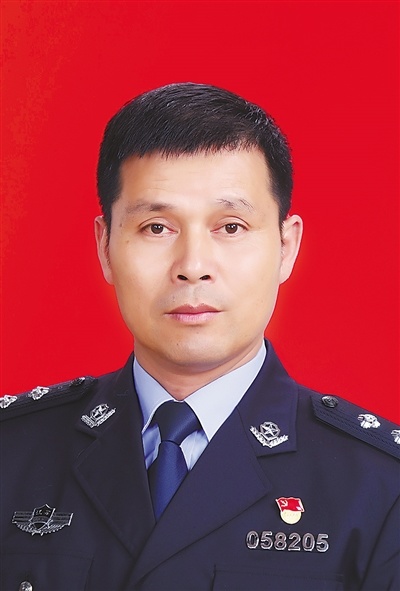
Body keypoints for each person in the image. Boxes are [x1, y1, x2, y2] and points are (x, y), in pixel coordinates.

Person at [1, 83, 399, 591]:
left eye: (230, 227)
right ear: (105, 247)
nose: (192, 267)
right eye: (156, 227)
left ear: (285, 247)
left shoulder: (381, 486)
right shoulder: (12, 453)